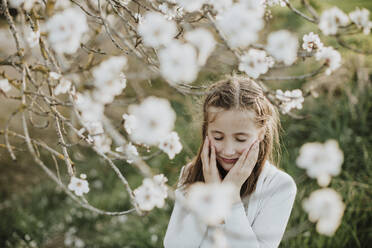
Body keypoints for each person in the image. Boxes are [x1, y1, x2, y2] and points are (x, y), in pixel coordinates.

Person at [163, 76, 297, 248]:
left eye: (240, 139)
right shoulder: (190, 173)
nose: (228, 150)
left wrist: (230, 195)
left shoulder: (279, 186)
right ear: (206, 131)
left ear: (261, 133)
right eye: (218, 137)